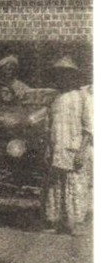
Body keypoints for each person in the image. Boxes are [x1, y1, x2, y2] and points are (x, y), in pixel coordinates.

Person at [45, 56, 91, 235]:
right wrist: (49, 148)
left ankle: (75, 224)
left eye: (66, 75)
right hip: (57, 148)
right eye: (59, 75)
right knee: (56, 186)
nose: (62, 78)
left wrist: (82, 151)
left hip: (74, 149)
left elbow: (89, 128)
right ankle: (57, 222)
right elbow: (48, 127)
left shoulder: (82, 98)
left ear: (73, 77)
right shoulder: (55, 99)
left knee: (75, 185)